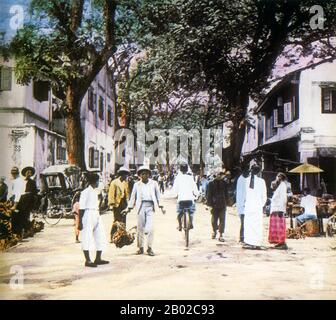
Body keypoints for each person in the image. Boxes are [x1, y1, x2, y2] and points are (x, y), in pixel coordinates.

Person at [127, 166, 161, 256]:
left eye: (146, 174)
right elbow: (133, 197)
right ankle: (140, 248)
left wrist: (161, 205)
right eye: (142, 174)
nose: (144, 175)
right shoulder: (136, 185)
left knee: (150, 228)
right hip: (140, 206)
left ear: (149, 175)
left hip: (150, 206)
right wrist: (129, 208)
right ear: (139, 176)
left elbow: (158, 195)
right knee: (140, 228)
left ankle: (149, 248)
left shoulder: (154, 183)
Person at [78, 173, 108, 267]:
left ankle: (98, 258)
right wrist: (80, 221)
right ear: (94, 181)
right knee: (86, 236)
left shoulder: (95, 192)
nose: (99, 182)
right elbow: (81, 208)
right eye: (98, 181)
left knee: (100, 235)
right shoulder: (85, 192)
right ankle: (88, 260)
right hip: (87, 214)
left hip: (96, 213)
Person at [243, 164, 267, 250]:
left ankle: (249, 242)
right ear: (259, 172)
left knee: (248, 224)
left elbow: (244, 195)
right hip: (257, 207)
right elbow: (264, 197)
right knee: (257, 225)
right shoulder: (262, 181)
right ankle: (256, 243)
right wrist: (261, 205)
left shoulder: (246, 181)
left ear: (250, 170)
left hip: (249, 206)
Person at [172, 163, 199, 232]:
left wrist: (174, 195)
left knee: (179, 213)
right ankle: (191, 222)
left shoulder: (177, 178)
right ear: (187, 170)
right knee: (191, 212)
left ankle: (180, 225)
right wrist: (196, 194)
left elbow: (175, 190)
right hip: (190, 199)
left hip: (181, 200)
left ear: (180, 170)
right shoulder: (190, 178)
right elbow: (194, 188)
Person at [108, 167, 130, 241]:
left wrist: (128, 203)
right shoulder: (114, 182)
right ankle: (112, 235)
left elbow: (127, 193)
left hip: (124, 202)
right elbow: (111, 194)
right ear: (121, 175)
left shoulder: (125, 183)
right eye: (125, 175)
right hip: (117, 203)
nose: (126, 177)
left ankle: (122, 236)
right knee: (117, 220)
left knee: (123, 220)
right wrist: (111, 204)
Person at [206, 169, 228, 242]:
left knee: (222, 219)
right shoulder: (210, 184)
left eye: (220, 174)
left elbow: (226, 194)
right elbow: (208, 195)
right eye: (217, 174)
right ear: (215, 175)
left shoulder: (225, 183)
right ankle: (214, 231)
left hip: (222, 204)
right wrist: (209, 205)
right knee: (214, 220)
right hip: (214, 205)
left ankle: (221, 234)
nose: (219, 176)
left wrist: (227, 203)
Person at [16, 166, 38, 238]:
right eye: (27, 172)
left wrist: (28, 193)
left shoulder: (32, 182)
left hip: (28, 201)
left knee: (25, 214)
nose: (28, 173)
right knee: (20, 215)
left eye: (30, 173)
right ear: (25, 173)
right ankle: (26, 230)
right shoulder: (21, 181)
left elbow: (35, 192)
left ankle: (28, 230)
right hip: (21, 200)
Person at [268, 173, 288, 250]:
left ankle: (282, 243)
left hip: (279, 210)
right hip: (275, 209)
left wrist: (281, 210)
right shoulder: (279, 186)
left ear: (281, 178)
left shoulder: (283, 186)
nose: (277, 178)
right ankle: (279, 242)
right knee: (276, 227)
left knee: (280, 227)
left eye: (278, 177)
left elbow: (283, 198)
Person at [235, 164, 250, 243]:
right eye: (247, 171)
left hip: (247, 205)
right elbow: (240, 194)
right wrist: (242, 204)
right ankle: (242, 237)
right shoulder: (240, 180)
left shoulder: (246, 179)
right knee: (243, 222)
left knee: (246, 222)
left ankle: (245, 237)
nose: (248, 173)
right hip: (242, 205)